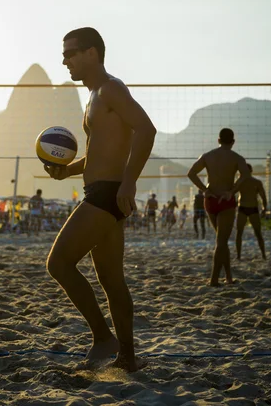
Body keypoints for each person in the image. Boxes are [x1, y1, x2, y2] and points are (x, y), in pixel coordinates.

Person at [44, 27, 156, 372]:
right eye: (63, 55)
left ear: (92, 53)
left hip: (108, 193)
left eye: (70, 53)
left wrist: (129, 182)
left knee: (58, 263)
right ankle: (128, 358)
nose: (65, 61)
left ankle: (102, 338)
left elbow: (146, 129)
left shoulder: (110, 89)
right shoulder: (93, 94)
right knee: (111, 281)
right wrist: (68, 171)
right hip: (101, 191)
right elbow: (97, 154)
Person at [187, 128, 250, 286]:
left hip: (210, 199)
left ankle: (228, 277)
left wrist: (205, 190)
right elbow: (246, 175)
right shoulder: (237, 158)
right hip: (225, 200)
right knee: (221, 241)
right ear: (233, 142)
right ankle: (214, 280)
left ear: (218, 140)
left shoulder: (208, 156)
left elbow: (191, 173)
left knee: (221, 240)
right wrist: (232, 191)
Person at [236, 164, 267, 260]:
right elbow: (231, 193)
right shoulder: (240, 182)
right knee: (240, 232)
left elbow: (263, 196)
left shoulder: (256, 182)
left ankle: (263, 255)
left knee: (257, 233)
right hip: (244, 207)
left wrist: (264, 208)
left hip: (251, 208)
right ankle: (238, 256)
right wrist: (264, 208)